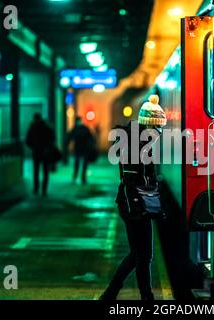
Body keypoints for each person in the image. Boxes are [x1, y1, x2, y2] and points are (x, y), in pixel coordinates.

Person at [100, 94, 167, 301]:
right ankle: (145, 298)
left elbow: (146, 178)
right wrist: (138, 209)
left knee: (138, 254)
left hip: (136, 202)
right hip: (132, 204)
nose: (158, 133)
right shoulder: (134, 145)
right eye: (156, 128)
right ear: (148, 124)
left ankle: (113, 293)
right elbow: (130, 180)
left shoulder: (140, 141)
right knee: (143, 255)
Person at [25, 113, 55, 196]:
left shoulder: (32, 128)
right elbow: (52, 139)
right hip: (45, 152)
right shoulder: (47, 127)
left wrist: (33, 147)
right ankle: (44, 189)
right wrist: (48, 148)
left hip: (36, 152)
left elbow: (27, 141)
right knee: (45, 171)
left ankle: (36, 188)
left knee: (36, 171)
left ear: (34, 118)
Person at [66, 117, 95, 184]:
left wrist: (67, 144)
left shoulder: (76, 129)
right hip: (83, 148)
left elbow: (70, 137)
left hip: (79, 148)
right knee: (82, 163)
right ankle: (82, 177)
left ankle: (77, 176)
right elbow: (91, 138)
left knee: (78, 163)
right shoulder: (84, 128)